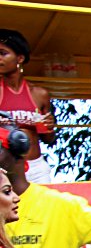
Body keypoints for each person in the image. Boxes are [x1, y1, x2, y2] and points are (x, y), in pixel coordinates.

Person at [0, 29, 55, 183]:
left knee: (43, 207)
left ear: (20, 58)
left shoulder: (39, 94)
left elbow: (49, 139)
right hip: (6, 169)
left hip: (37, 169)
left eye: (3, 53)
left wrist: (49, 127)